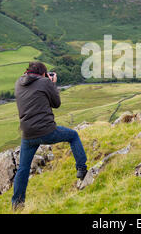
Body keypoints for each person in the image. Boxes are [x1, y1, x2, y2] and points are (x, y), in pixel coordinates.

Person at [11, 61, 87, 211]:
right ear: (43, 74)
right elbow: (56, 103)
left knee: (23, 168)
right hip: (47, 131)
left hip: (27, 134)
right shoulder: (45, 82)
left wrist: (46, 81)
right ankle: (81, 169)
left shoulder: (18, 83)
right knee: (73, 136)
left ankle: (17, 204)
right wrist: (52, 84)